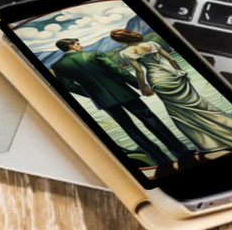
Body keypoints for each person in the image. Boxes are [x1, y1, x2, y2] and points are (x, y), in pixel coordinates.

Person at [50, 35, 191, 170]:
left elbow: (69, 86)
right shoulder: (94, 54)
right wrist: (141, 86)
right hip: (124, 93)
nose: (80, 46)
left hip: (103, 100)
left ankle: (161, 160)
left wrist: (92, 95)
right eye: (77, 44)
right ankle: (181, 153)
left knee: (130, 129)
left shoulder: (58, 65)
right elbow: (118, 71)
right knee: (151, 121)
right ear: (71, 46)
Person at [109, 29, 232, 156]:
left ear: (120, 40)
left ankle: (209, 143)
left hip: (157, 80)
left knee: (179, 113)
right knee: (200, 105)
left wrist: (143, 88)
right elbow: (172, 60)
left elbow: (139, 72)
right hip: (172, 75)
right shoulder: (152, 44)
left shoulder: (125, 53)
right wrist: (181, 72)